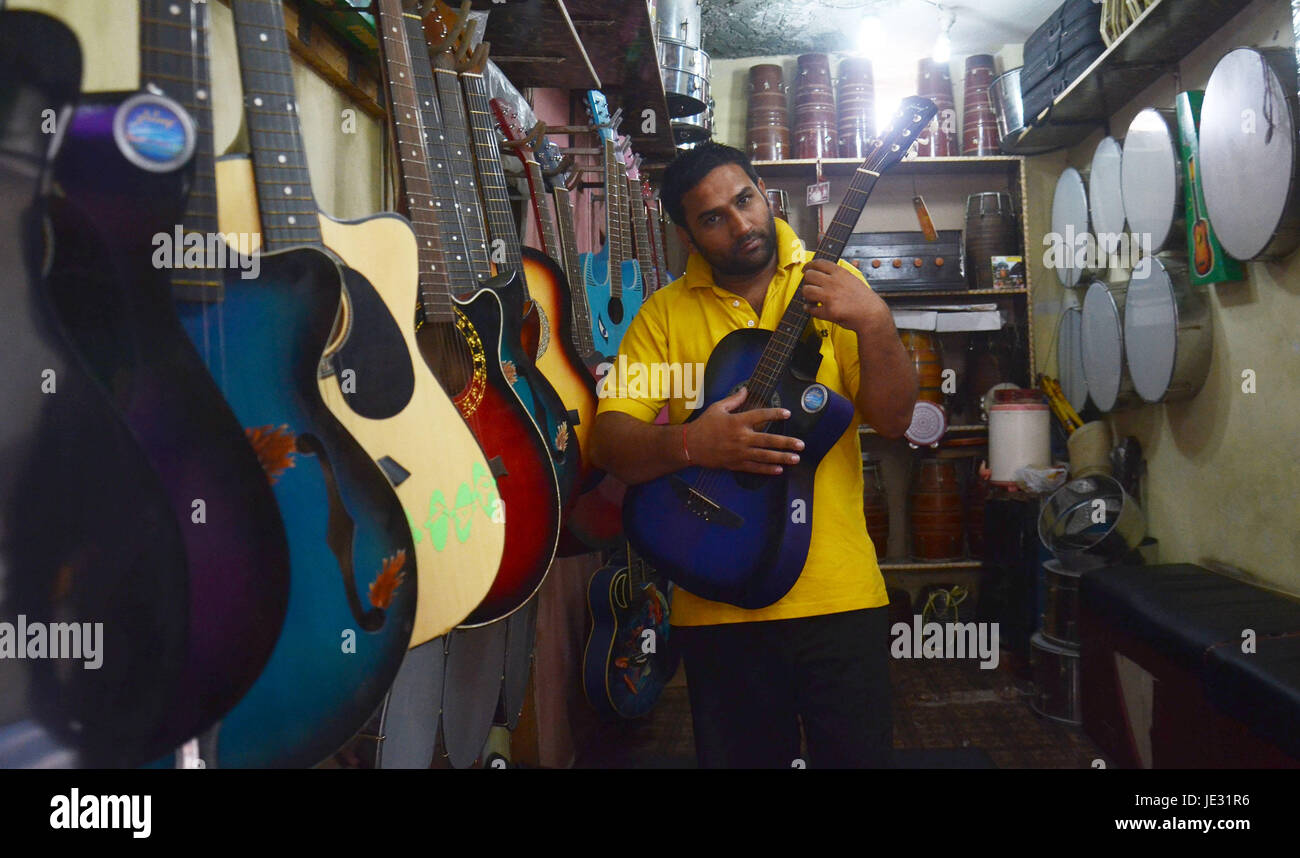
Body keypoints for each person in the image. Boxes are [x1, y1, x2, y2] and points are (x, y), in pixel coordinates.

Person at [590, 142, 918, 768]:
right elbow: (611, 445)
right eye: (714, 217)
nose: (741, 223)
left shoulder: (838, 288)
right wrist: (694, 441)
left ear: (764, 190)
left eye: (745, 200)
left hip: (839, 599)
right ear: (687, 235)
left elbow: (896, 420)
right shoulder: (662, 315)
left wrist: (875, 322)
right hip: (716, 600)